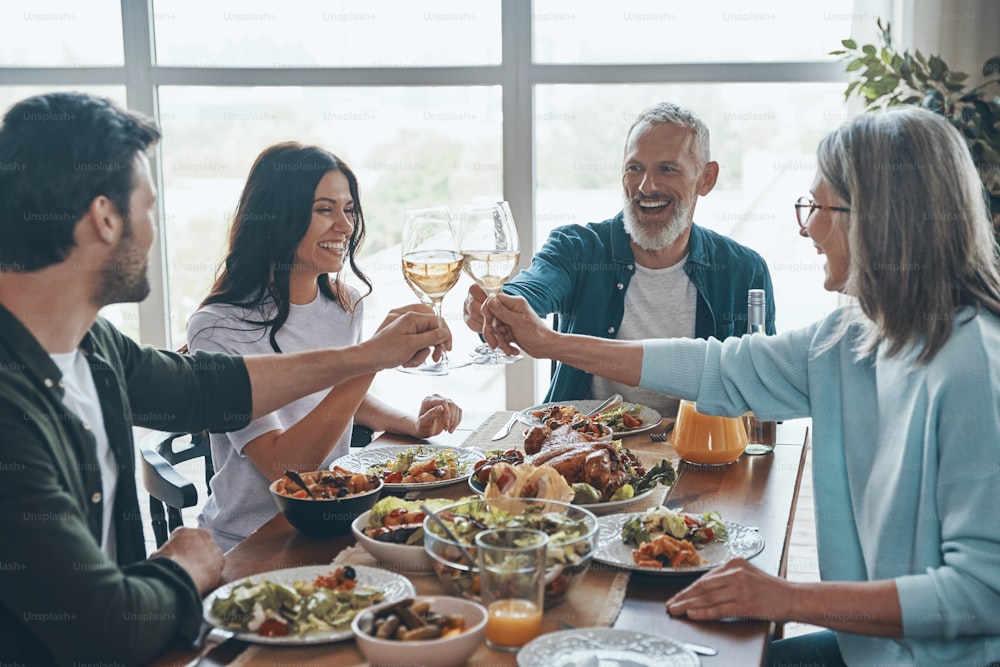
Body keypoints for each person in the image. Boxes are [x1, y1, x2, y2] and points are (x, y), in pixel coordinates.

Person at [482, 106, 1000, 666]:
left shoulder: (973, 369)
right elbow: (717, 369)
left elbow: (983, 595)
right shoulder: (856, 334)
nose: (808, 228)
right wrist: (551, 342)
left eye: (818, 207)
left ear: (877, 220)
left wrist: (788, 597)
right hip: (869, 648)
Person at [0, 92, 451, 666]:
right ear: (105, 218)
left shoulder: (92, 348)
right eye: (149, 207)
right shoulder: (10, 408)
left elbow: (211, 388)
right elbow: (107, 629)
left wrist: (367, 355)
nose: (154, 229)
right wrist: (182, 566)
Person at [186, 142, 463, 551]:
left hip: (336, 522)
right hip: (253, 541)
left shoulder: (344, 305)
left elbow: (334, 400)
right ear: (277, 216)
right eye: (324, 210)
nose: (346, 227)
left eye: (349, 209)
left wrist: (411, 424)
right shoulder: (218, 328)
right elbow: (288, 468)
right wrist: (372, 357)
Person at [463, 101, 775, 417]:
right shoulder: (576, 248)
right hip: (581, 449)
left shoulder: (744, 271)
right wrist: (496, 308)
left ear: (706, 178)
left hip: (701, 455)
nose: (646, 186)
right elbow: (531, 289)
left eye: (667, 168)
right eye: (634, 168)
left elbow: (765, 391)